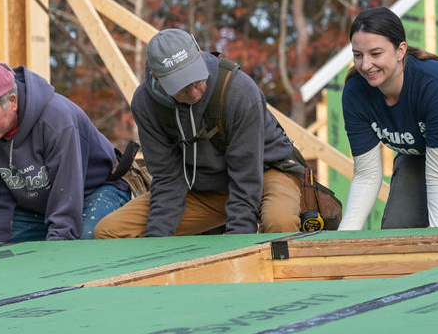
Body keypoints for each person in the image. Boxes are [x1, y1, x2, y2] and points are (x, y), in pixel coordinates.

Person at [95, 28, 305, 238]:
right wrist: (156, 245)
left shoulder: (239, 91)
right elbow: (168, 180)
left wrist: (237, 249)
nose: (194, 92)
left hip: (264, 173)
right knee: (109, 231)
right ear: (156, 78)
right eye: (182, 86)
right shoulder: (145, 104)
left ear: (198, 53)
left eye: (196, 79)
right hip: (204, 188)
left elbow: (245, 178)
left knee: (280, 223)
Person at [338, 7, 438, 230]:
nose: (365, 65)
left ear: (400, 50)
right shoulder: (356, 92)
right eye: (358, 55)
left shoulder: (435, 85)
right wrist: (345, 240)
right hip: (423, 150)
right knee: (398, 228)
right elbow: (367, 175)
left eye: (375, 54)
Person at [0, 61, 130, 242]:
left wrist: (56, 252)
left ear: (12, 101)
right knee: (1, 251)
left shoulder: (56, 121)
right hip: (37, 210)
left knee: (83, 243)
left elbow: (65, 208)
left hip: (94, 192)